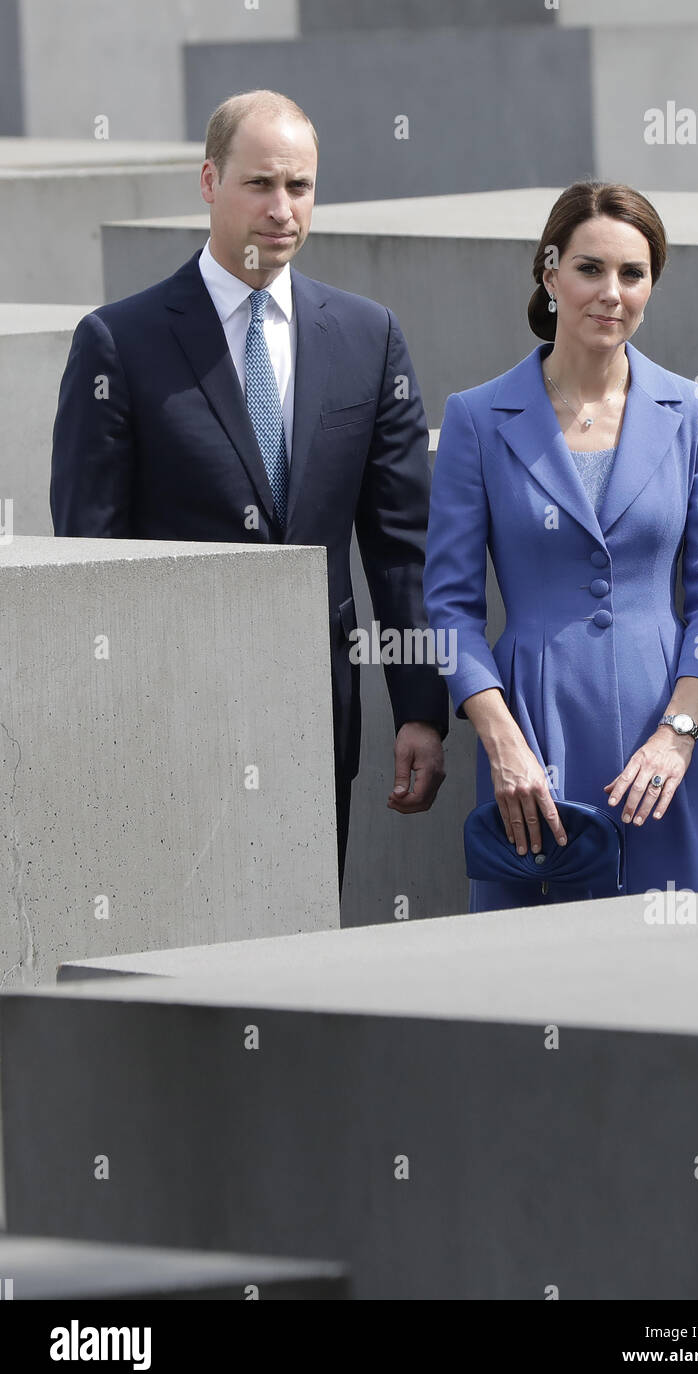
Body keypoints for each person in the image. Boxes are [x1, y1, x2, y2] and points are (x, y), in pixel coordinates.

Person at [51, 89, 447, 893]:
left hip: (316, 711)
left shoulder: (369, 338)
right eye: (259, 184)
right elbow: (88, 554)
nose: (281, 209)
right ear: (208, 181)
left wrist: (420, 707)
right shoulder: (118, 342)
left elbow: (403, 546)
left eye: (298, 187)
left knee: (301, 949)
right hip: (169, 718)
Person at [423, 180, 698, 912]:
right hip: (535, 737)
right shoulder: (477, 419)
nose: (610, 292)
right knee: (554, 976)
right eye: (589, 269)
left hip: (669, 737)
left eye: (632, 274)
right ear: (549, 276)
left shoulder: (692, 411)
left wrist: (677, 732)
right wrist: (501, 742)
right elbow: (449, 610)